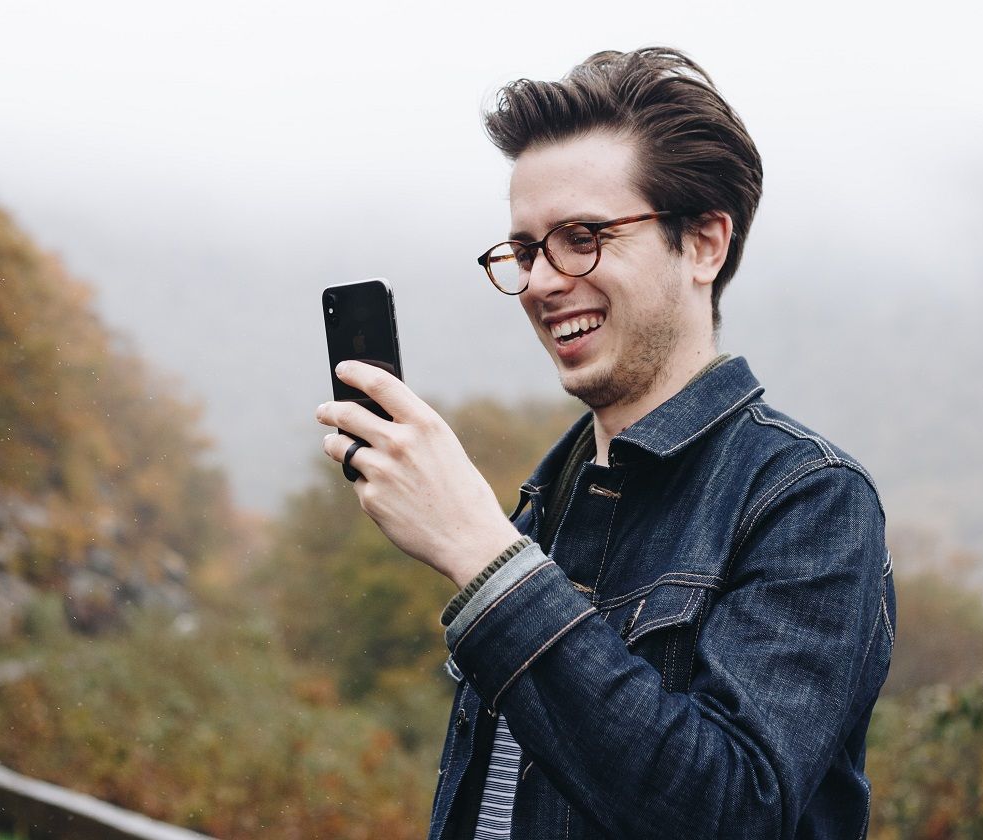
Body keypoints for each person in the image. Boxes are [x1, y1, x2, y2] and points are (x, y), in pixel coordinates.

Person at [314, 47, 894, 840]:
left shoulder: (809, 499)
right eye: (526, 250)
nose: (543, 282)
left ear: (704, 243)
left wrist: (483, 556)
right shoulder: (544, 506)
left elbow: (731, 812)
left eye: (583, 237)